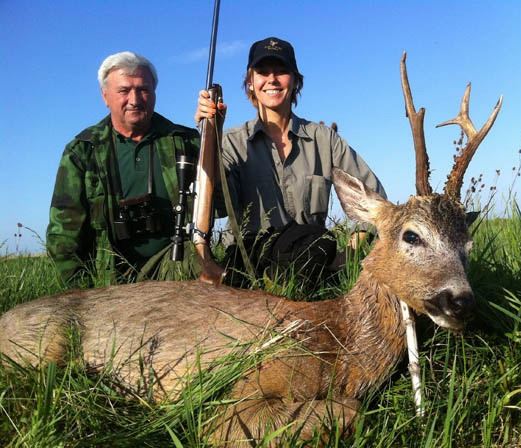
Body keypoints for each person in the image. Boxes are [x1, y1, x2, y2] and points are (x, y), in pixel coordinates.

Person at [195, 37, 386, 288]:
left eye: (281, 71)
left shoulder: (324, 139)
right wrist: (209, 138)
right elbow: (218, 207)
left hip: (311, 260)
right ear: (250, 82)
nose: (272, 79)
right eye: (262, 72)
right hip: (250, 261)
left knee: (320, 242)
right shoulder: (230, 142)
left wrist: (345, 257)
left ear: (295, 81)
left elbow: (375, 203)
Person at [47, 51, 200, 286]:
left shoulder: (186, 141)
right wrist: (82, 294)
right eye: (124, 90)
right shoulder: (82, 151)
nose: (135, 99)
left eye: (143, 89)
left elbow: (220, 205)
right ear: (105, 96)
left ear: (154, 93)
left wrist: (213, 131)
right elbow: (63, 234)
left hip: (175, 270)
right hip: (108, 279)